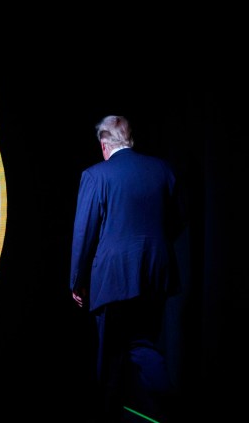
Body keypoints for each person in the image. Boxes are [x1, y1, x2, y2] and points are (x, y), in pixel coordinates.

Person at [69, 115, 185, 422]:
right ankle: (170, 409)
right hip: (155, 274)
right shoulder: (162, 169)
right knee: (142, 343)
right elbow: (177, 221)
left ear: (104, 145)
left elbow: (85, 231)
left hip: (114, 278)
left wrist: (77, 280)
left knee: (110, 355)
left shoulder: (97, 175)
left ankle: (108, 419)